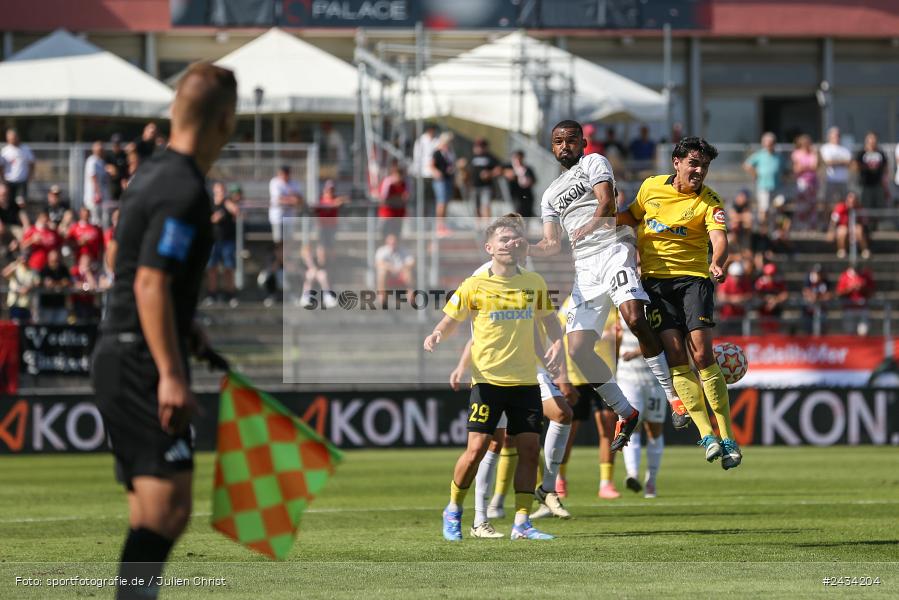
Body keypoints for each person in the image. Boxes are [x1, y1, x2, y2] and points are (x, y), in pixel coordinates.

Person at [91, 62, 237, 600]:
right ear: (225, 121)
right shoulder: (185, 189)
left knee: (152, 510)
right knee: (170, 509)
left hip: (122, 351)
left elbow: (118, 257)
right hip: (139, 362)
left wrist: (184, 322)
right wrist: (172, 374)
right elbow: (149, 281)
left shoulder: (149, 175)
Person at [529, 120, 689, 446]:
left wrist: (588, 228)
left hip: (613, 249)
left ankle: (675, 397)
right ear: (552, 146)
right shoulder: (549, 196)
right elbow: (551, 243)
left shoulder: (593, 162)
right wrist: (526, 248)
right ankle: (625, 412)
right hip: (585, 270)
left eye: (571, 140)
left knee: (633, 317)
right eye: (558, 142)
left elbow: (607, 203)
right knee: (577, 349)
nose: (564, 147)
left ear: (583, 142)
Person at [424, 217, 564, 541]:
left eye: (515, 238)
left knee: (529, 450)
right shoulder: (474, 284)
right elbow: (450, 319)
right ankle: (453, 510)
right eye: (502, 239)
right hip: (487, 381)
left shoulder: (533, 282)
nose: (509, 243)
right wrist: (435, 335)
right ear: (489, 247)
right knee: (476, 450)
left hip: (526, 381)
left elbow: (549, 320)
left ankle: (522, 523)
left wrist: (556, 342)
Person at [622, 136, 741, 469]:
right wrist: (597, 221)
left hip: (693, 281)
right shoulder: (650, 188)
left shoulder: (709, 201)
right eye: (694, 163)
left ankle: (728, 438)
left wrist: (718, 261)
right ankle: (706, 435)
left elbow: (720, 239)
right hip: (656, 284)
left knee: (702, 354)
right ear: (677, 163)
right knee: (675, 354)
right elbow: (630, 217)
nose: (699, 171)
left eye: (704, 166)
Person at [550, 297, 620, 501]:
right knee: (569, 431)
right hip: (576, 374)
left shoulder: (612, 302)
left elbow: (619, 333)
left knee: (608, 426)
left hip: (603, 373)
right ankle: (559, 479)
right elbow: (558, 333)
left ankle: (606, 482)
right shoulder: (573, 300)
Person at [204, 182, 240, 307]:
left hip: (227, 240)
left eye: (222, 190)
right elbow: (206, 219)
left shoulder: (228, 203)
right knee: (212, 268)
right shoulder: (210, 204)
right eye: (218, 190)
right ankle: (211, 294)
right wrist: (215, 218)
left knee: (229, 268)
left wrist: (226, 202)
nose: (221, 193)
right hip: (213, 241)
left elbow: (236, 211)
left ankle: (230, 294)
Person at [743, 132, 784, 227]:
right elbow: (747, 165)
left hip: (777, 187)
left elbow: (785, 169)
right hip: (764, 186)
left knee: (777, 209)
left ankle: (774, 229)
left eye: (772, 142)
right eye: (768, 142)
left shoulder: (779, 156)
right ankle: (763, 231)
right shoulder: (760, 155)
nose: (770, 145)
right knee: (764, 209)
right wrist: (755, 174)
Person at [853, 132, 890, 213]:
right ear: (866, 140)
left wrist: (886, 185)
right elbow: (855, 167)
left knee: (879, 208)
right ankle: (866, 225)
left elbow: (885, 170)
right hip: (865, 185)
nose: (872, 141)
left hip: (878, 185)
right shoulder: (861, 153)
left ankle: (877, 225)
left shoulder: (881, 153)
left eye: (874, 139)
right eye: (870, 138)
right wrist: (867, 167)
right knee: (866, 208)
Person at [374, 233, 414, 307]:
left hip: (401, 274)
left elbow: (411, 262)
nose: (392, 244)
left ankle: (410, 295)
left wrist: (402, 268)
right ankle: (382, 295)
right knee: (382, 272)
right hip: (388, 274)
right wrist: (390, 268)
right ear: (387, 242)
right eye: (391, 242)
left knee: (408, 272)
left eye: (394, 242)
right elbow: (378, 263)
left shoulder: (403, 250)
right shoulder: (382, 250)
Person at [268, 165, 303, 249]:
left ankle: (287, 260)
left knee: (289, 241)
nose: (283, 176)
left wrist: (293, 199)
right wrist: (292, 199)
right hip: (278, 217)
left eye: (286, 174)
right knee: (278, 241)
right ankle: (279, 260)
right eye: (282, 174)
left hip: (289, 217)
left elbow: (300, 199)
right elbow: (278, 199)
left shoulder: (294, 183)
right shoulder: (275, 182)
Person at [828, 192, 870, 259]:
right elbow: (833, 221)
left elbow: (865, 222)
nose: (851, 203)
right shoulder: (840, 207)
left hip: (855, 229)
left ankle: (864, 250)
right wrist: (830, 232)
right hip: (843, 227)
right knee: (842, 231)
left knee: (858, 229)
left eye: (853, 201)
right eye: (849, 201)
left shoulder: (860, 209)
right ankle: (841, 250)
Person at [836, 265, 875, 336]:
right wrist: (850, 288)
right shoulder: (844, 276)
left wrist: (862, 288)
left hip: (862, 308)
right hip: (849, 308)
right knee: (849, 333)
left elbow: (871, 293)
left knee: (863, 332)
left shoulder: (866, 275)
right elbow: (839, 293)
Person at [716, 261, 753, 335]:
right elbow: (721, 297)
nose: (737, 278)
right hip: (726, 318)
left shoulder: (745, 282)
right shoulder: (726, 282)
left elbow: (750, 295)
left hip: (740, 318)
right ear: (731, 275)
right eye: (735, 276)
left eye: (739, 276)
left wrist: (737, 299)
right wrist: (736, 299)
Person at [791, 134, 819, 230]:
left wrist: (804, 167)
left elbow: (814, 167)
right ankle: (800, 224)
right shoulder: (796, 153)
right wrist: (808, 167)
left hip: (813, 182)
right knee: (801, 204)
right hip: (802, 182)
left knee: (812, 204)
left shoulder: (813, 153)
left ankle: (812, 225)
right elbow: (797, 169)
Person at [469, 138, 501, 219]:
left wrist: (489, 174)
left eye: (481, 146)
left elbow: (499, 169)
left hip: (486, 187)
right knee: (476, 208)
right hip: (474, 186)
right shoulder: (472, 157)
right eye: (477, 146)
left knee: (486, 206)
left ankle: (487, 226)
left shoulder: (490, 157)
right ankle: (479, 227)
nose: (479, 148)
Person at [431, 132, 456, 236]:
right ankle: (439, 226)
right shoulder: (437, 152)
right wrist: (436, 173)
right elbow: (431, 165)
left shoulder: (449, 152)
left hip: (448, 179)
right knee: (441, 203)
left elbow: (451, 164)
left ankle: (443, 226)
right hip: (441, 180)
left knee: (445, 203)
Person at [377, 160, 409, 240]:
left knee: (397, 232)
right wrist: (396, 199)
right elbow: (383, 199)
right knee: (386, 232)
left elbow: (406, 197)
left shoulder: (404, 183)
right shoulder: (387, 183)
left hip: (399, 212)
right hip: (388, 212)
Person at [1, 129, 35, 204]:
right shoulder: (5, 150)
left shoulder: (25, 149)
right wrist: (3, 180)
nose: (11, 140)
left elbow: (31, 163)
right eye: (9, 139)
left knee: (21, 203)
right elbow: (1, 166)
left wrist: (30, 176)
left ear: (17, 137)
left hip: (22, 181)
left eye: (13, 138)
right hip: (9, 181)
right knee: (9, 202)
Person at [819, 126, 852, 204]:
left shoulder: (845, 149)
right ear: (829, 136)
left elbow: (849, 163)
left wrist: (835, 162)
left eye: (838, 135)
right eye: (834, 135)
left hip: (843, 180)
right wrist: (842, 162)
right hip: (830, 180)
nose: (837, 137)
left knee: (844, 202)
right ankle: (826, 217)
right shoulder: (825, 148)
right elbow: (828, 162)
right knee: (827, 202)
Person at [38, 249, 71, 324]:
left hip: (60, 304)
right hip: (47, 305)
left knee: (60, 326)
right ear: (49, 258)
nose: (55, 261)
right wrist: (59, 283)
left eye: (56, 258)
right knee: (47, 326)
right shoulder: (44, 270)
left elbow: (66, 282)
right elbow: (44, 283)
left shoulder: (63, 269)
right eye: (53, 258)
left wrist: (54, 283)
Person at [754, 262, 788, 334]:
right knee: (763, 330)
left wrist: (775, 300)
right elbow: (756, 295)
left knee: (775, 331)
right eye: (768, 275)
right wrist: (767, 299)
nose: (770, 277)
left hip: (775, 310)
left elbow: (785, 294)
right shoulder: (760, 282)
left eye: (772, 275)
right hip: (763, 309)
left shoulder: (779, 282)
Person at [3, 256, 38, 322]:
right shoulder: (15, 268)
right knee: (16, 325)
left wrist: (28, 288)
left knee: (25, 326)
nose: (24, 260)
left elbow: (37, 283)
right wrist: (16, 263)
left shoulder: (32, 270)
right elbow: (5, 273)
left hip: (27, 305)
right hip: (15, 304)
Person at [503, 151, 537, 219]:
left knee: (527, 214)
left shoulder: (527, 169)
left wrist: (528, 181)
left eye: (520, 158)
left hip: (527, 195)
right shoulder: (510, 167)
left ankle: (525, 228)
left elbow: (534, 180)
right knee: (517, 213)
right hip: (516, 196)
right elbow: (501, 171)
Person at [84, 141, 110, 226]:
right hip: (94, 196)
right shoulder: (92, 160)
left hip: (102, 196)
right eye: (98, 149)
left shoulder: (102, 162)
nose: (100, 150)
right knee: (95, 220)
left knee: (103, 220)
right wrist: (97, 193)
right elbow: (93, 176)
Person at [801, 264, 831, 335]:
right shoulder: (808, 281)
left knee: (822, 331)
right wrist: (813, 296)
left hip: (821, 311)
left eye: (819, 273)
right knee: (808, 331)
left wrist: (818, 297)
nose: (817, 275)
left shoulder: (825, 282)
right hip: (809, 312)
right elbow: (806, 292)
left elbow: (828, 295)